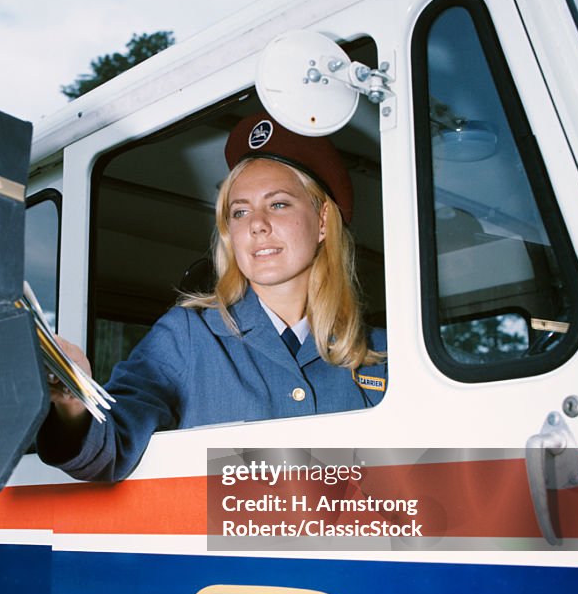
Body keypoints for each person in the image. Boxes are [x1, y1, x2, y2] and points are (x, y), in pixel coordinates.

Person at [36, 111, 387, 481]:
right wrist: (73, 401)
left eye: (279, 204)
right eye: (240, 212)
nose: (257, 224)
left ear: (322, 220)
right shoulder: (188, 336)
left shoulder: (380, 354)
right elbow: (110, 448)